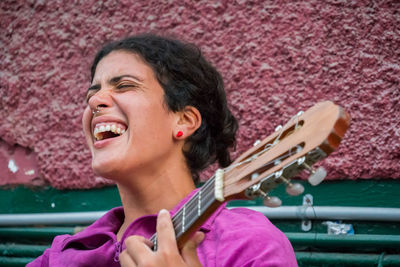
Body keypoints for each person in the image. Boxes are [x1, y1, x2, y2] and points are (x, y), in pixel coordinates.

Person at [28, 34, 297, 266]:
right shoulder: (59, 257)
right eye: (92, 94)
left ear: (184, 121)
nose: (95, 101)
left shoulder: (249, 245)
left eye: (124, 85)